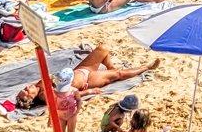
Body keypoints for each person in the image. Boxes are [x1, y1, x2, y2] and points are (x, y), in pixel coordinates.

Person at [13, 44, 156, 113]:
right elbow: (66, 97)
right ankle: (147, 67)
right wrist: (88, 92)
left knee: (102, 49)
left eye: (23, 89)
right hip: (88, 80)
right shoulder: (44, 95)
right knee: (118, 75)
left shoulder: (38, 86)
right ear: (32, 99)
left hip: (79, 71)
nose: (26, 87)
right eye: (26, 92)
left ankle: (110, 67)